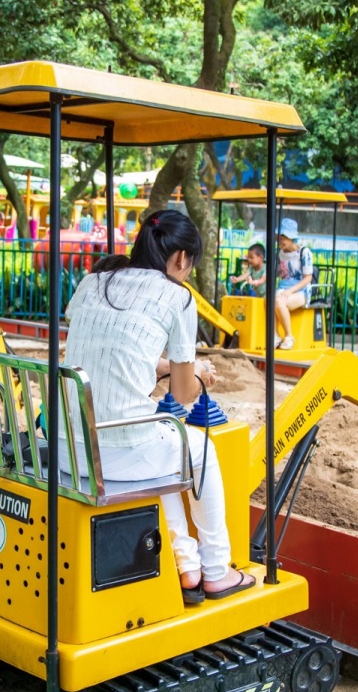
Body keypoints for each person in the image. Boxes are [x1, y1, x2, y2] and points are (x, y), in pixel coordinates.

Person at [64, 209, 255, 603]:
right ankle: (218, 570)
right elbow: (185, 395)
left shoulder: (92, 281)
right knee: (199, 448)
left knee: (165, 437)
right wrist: (198, 373)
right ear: (182, 258)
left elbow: (116, 351)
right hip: (114, 456)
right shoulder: (177, 296)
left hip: (69, 448)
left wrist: (169, 367)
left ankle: (187, 567)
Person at [273, 218, 317, 349]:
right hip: (283, 288)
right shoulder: (280, 254)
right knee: (268, 300)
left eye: (283, 238)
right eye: (278, 238)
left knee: (280, 302)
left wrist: (290, 291)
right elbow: (278, 273)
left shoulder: (304, 253)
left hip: (300, 290)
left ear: (291, 238)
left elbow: (307, 278)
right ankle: (274, 335)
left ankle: (289, 336)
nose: (280, 242)